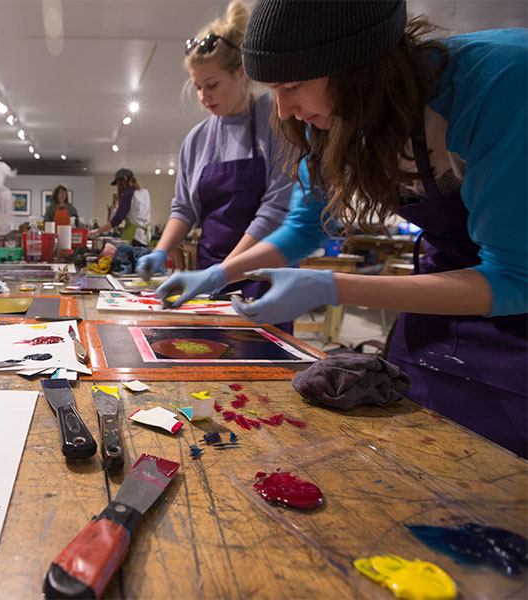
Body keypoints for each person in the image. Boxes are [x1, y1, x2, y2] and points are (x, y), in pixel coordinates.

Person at [158, 0, 527, 457]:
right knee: (417, 450)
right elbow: (300, 230)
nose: (285, 110)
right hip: (443, 287)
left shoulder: (499, 85)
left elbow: (515, 277)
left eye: (293, 86)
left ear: (360, 68)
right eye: (273, 89)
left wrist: (333, 286)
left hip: (515, 312)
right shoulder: (327, 122)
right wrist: (222, 273)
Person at [136, 1, 294, 302]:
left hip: (264, 275)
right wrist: (161, 250)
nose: (203, 96)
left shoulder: (278, 121)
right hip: (206, 274)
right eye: (197, 87)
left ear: (241, 72)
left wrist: (223, 272)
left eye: (211, 85)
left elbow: (275, 212)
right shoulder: (196, 140)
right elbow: (184, 208)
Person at [91, 168, 152, 246]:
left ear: (125, 178)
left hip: (134, 237)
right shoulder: (144, 192)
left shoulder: (128, 195)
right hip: (146, 236)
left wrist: (97, 231)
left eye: (118, 183)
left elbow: (116, 220)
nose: (117, 186)